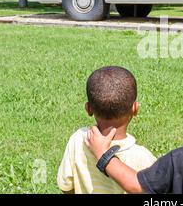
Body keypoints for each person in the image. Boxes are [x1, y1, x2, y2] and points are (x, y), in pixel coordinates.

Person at [57, 66, 156, 194]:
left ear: (88, 109)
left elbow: (66, 186)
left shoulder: (78, 140)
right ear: (135, 108)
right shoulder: (142, 158)